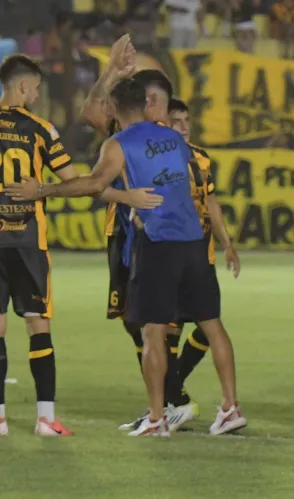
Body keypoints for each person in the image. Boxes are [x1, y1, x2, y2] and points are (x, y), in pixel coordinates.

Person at [9, 77, 244, 437]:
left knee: (152, 332)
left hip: (158, 243)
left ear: (116, 108)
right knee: (212, 324)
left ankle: (157, 418)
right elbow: (176, 180)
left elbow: (93, 184)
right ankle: (230, 408)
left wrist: (41, 189)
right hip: (194, 242)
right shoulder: (173, 139)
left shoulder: (118, 143)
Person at [0, 55, 158, 437]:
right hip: (28, 242)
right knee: (38, 326)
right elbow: (79, 182)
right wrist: (126, 197)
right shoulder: (40, 130)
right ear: (23, 87)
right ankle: (45, 419)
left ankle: (0, 419)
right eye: (36, 89)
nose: (37, 95)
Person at [79, 36, 200, 430]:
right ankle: (163, 404)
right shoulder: (129, 132)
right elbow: (91, 112)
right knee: (138, 322)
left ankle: (172, 402)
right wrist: (112, 70)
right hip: (124, 233)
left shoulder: (161, 136)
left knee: (157, 321)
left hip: (154, 236)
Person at [159, 98, 242, 432]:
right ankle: (220, 406)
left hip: (175, 256)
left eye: (186, 120)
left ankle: (167, 405)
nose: (183, 126)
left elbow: (211, 203)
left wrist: (228, 244)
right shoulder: (197, 158)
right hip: (196, 256)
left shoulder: (170, 158)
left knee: (166, 330)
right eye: (176, 121)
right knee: (200, 327)